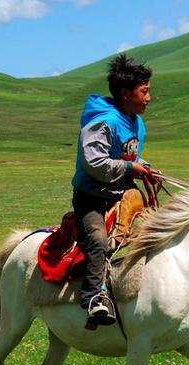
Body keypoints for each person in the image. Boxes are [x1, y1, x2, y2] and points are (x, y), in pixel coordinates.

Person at [71, 54, 152, 326]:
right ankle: (94, 296)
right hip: (92, 197)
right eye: (144, 91)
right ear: (126, 94)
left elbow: (128, 157)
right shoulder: (104, 121)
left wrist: (146, 169)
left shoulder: (135, 122)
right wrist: (131, 170)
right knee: (98, 238)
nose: (149, 97)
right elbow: (94, 162)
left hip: (123, 194)